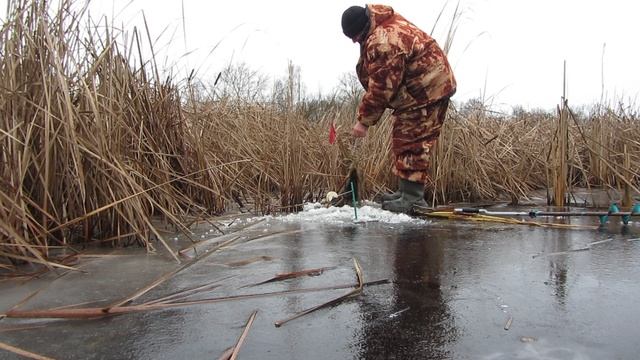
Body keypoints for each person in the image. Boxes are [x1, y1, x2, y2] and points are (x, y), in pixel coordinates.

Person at [341, 4, 456, 214]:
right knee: (403, 137)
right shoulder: (382, 26)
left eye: (355, 35)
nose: (354, 41)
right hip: (421, 91)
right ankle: (406, 193)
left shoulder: (383, 40)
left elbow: (382, 87)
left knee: (412, 141)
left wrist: (363, 121)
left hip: (426, 92)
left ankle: (412, 198)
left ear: (363, 27)